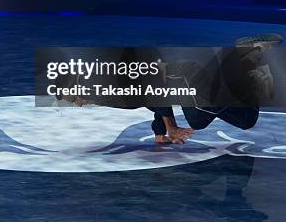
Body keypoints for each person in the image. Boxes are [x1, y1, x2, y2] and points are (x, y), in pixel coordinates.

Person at [57, 33, 282, 145]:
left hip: (187, 80)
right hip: (185, 79)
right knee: (246, 120)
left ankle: (243, 56)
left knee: (197, 119)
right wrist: (159, 131)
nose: (78, 103)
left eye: (74, 97)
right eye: (72, 101)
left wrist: (171, 126)